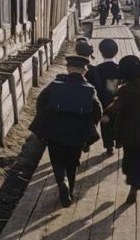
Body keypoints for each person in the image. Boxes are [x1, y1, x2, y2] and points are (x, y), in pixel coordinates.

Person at [29, 55, 102, 207]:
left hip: (55, 132)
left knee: (57, 160)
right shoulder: (90, 89)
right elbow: (98, 111)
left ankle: (62, 182)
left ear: (68, 69)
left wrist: (45, 119)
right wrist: (89, 125)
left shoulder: (55, 84)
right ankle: (71, 189)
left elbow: (41, 100)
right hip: (76, 133)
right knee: (72, 162)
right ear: (84, 71)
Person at [102, 55, 140, 204]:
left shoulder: (124, 90)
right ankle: (135, 187)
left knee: (129, 157)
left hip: (127, 132)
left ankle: (130, 177)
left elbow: (117, 105)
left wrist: (107, 114)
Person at [95, 38, 120, 155]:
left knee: (106, 125)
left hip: (103, 102)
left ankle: (109, 146)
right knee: (118, 122)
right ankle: (119, 141)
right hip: (118, 102)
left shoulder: (97, 69)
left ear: (101, 52)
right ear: (116, 52)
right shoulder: (120, 68)